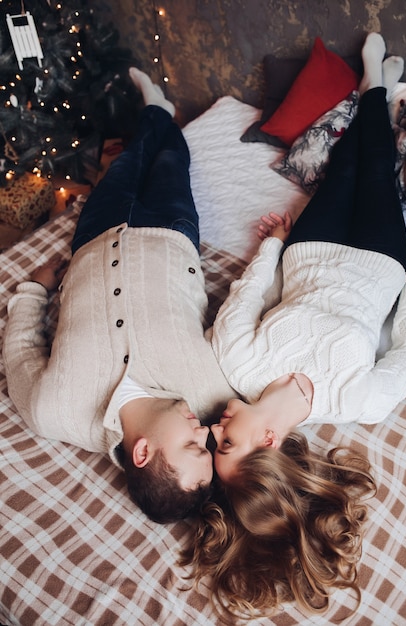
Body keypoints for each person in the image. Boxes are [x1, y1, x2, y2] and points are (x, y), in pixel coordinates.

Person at [180, 33, 406, 617]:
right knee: (380, 175)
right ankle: (378, 92)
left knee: (345, 169)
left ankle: (370, 87)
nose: (215, 427)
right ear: (268, 443)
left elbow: (246, 295)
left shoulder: (236, 362)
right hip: (383, 261)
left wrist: (274, 246)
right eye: (225, 442)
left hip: (310, 251)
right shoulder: (359, 400)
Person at [2, 69, 236, 524]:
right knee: (170, 157)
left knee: (125, 165)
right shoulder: (215, 394)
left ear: (143, 451)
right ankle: (159, 111)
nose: (204, 431)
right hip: (171, 233)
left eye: (193, 445)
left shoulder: (54, 412)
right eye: (207, 444)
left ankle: (153, 112)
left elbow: (18, 353)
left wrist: (35, 287)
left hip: (94, 237)